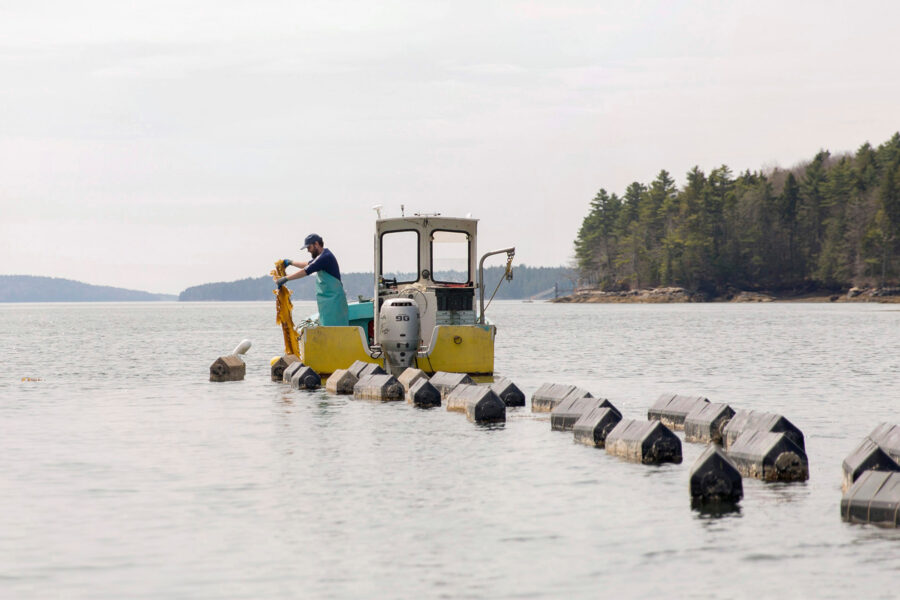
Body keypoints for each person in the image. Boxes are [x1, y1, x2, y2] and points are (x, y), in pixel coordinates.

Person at [276, 234, 350, 326]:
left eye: (309, 247)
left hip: (334, 302)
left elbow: (306, 270)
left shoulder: (325, 257)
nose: (308, 251)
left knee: (337, 328)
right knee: (329, 327)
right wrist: (291, 262)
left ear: (316, 244)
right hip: (328, 302)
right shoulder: (321, 257)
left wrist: (285, 279)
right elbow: (308, 264)